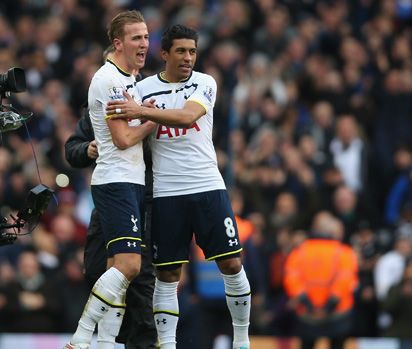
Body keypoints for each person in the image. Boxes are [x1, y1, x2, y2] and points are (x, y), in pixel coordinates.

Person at [106, 24, 252, 349]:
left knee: (231, 263)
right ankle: (167, 345)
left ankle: (241, 339)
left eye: (192, 51)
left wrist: (142, 111)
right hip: (166, 192)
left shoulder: (205, 82)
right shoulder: (142, 88)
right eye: (181, 51)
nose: (188, 58)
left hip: (207, 185)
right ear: (165, 54)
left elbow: (188, 117)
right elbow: (123, 133)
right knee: (168, 274)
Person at [64, 10, 156, 349]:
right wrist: (154, 116)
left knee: (118, 269)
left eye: (146, 37)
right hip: (116, 182)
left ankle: (103, 344)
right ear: (118, 43)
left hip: (132, 184)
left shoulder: (132, 81)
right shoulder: (110, 81)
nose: (144, 43)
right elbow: (122, 139)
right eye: (136, 37)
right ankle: (81, 336)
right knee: (128, 267)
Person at [283, 211, 358, 349]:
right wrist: (330, 304)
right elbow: (345, 280)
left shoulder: (299, 252)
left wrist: (307, 303)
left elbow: (291, 278)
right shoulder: (344, 253)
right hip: (337, 314)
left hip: (307, 314)